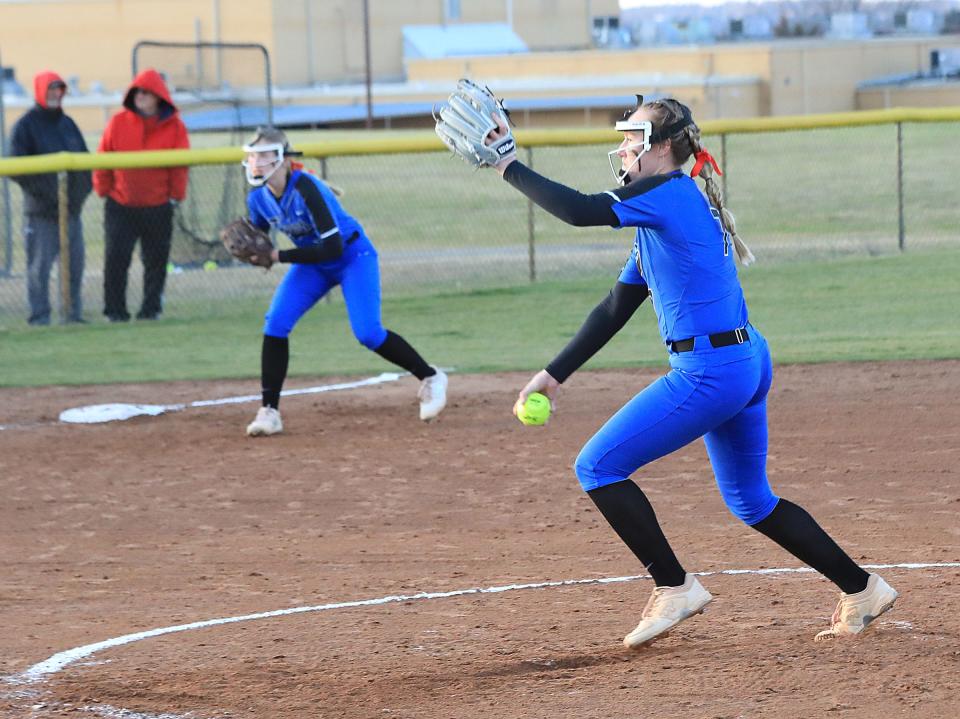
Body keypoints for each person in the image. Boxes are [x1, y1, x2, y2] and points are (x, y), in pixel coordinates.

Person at [485, 96, 897, 646]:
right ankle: (862, 589)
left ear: (661, 147)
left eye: (634, 136)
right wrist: (553, 374)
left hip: (710, 372)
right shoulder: (665, 209)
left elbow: (581, 210)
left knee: (598, 466)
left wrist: (507, 164)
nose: (625, 146)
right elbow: (615, 307)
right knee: (751, 500)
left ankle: (675, 586)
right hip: (746, 359)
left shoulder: (667, 195)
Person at [239, 126, 448, 435]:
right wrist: (251, 250)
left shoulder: (306, 189)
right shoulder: (258, 198)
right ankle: (269, 411)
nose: (258, 163)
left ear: (284, 160)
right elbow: (257, 239)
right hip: (314, 264)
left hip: (352, 257)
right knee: (276, 323)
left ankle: (430, 377)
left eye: (266, 155)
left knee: (367, 332)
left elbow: (332, 247)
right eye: (253, 156)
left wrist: (277, 257)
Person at [94, 68, 189, 322]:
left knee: (156, 261)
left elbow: (180, 165)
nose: (141, 97)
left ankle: (151, 310)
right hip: (121, 204)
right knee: (116, 259)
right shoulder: (118, 122)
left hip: (157, 206)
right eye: (137, 92)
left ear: (159, 96)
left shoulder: (175, 127)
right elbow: (104, 158)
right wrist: (103, 189)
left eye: (146, 92)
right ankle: (114, 311)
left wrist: (176, 195)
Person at [8, 70, 91, 325]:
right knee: (39, 269)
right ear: (40, 92)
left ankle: (72, 314)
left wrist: (76, 197)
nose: (56, 94)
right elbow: (17, 168)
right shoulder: (26, 126)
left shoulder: (68, 124)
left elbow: (86, 163)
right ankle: (40, 317)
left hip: (71, 212)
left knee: (74, 267)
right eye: (51, 89)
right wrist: (50, 195)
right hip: (41, 213)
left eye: (59, 89)